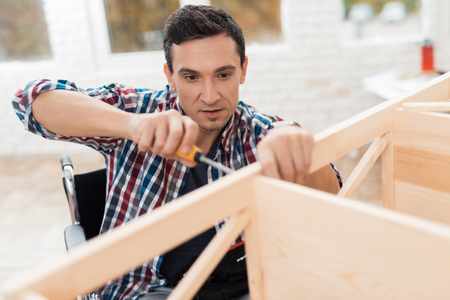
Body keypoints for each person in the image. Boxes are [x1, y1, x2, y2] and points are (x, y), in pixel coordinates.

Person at [12, 5, 342, 300]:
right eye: (191, 77)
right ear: (170, 75)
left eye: (223, 75)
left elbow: (334, 196)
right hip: (147, 290)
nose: (210, 96)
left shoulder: (262, 130)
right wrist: (130, 126)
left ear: (243, 69)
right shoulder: (139, 110)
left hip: (244, 285)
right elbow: (29, 102)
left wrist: (295, 141)